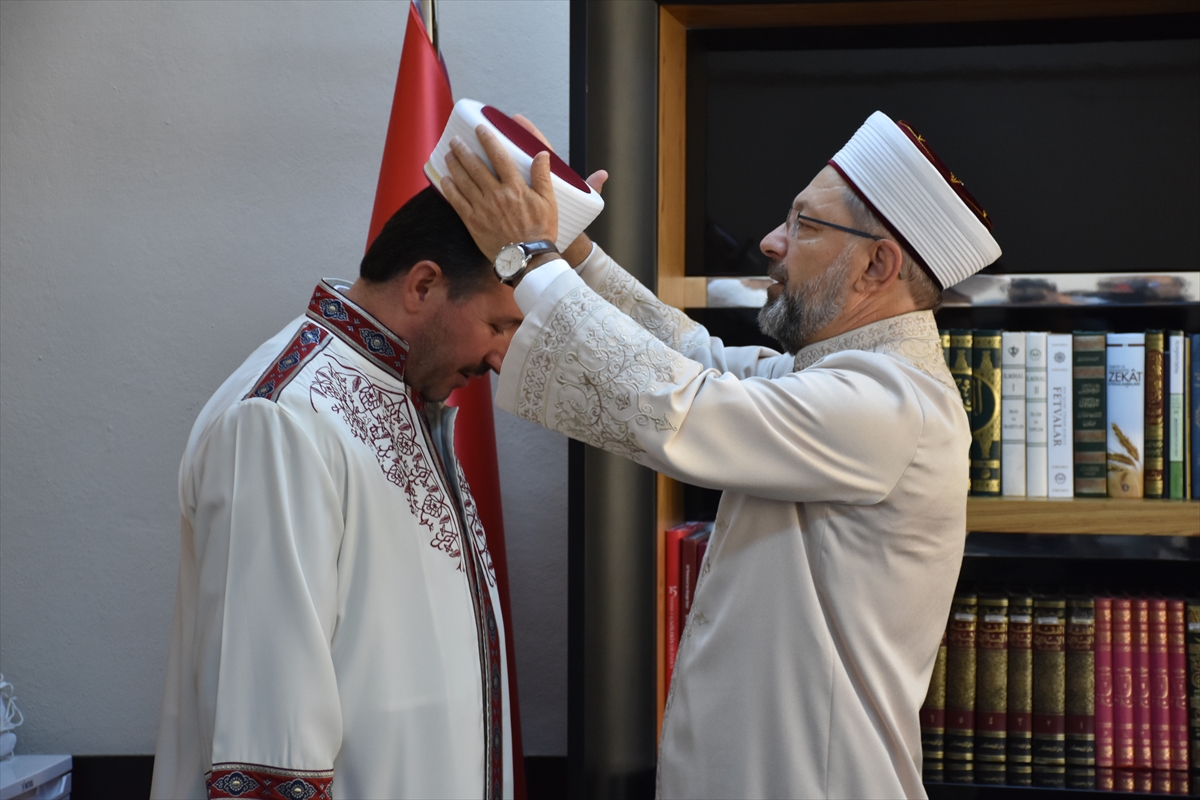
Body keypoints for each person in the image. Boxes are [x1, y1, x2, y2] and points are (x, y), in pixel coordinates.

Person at [440, 111, 1000, 798]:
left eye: (805, 225)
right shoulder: (843, 375)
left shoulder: (892, 403)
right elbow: (692, 358)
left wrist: (528, 258)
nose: (770, 242)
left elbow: (689, 409)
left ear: (876, 265)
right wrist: (571, 248)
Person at [151, 186, 524, 800]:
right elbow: (268, 734)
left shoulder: (404, 399)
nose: (500, 355)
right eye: (497, 324)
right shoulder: (279, 420)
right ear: (424, 285)